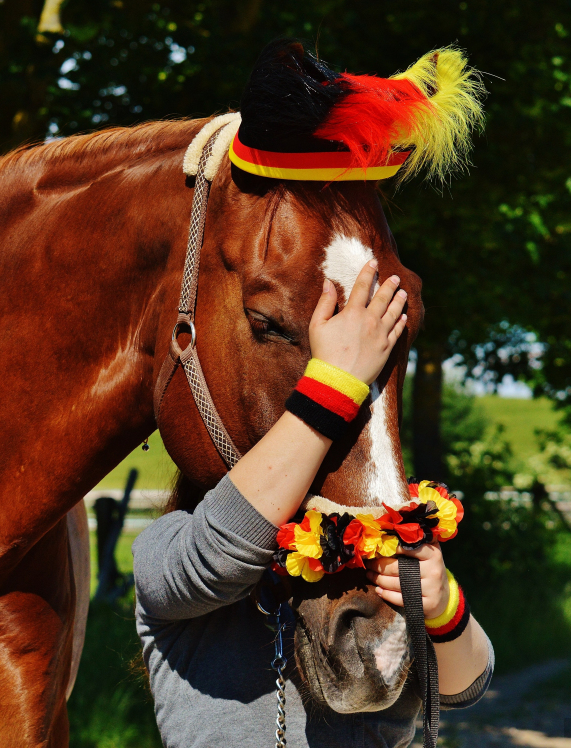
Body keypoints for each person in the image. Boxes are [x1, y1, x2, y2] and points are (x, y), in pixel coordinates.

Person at [134, 260, 493, 748]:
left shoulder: (375, 551)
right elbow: (219, 551)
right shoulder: (167, 550)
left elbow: (466, 684)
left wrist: (442, 603)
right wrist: (333, 383)